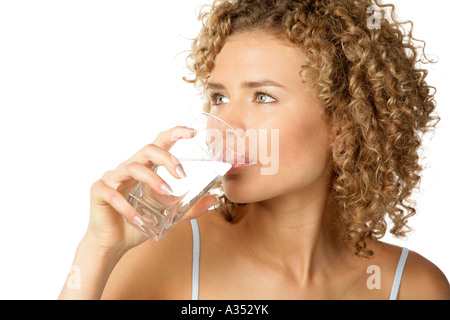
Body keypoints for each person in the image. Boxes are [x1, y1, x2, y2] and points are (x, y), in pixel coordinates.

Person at [59, 0, 450, 300]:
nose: (225, 124)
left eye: (262, 96)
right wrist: (97, 251)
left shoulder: (411, 286)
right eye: (218, 97)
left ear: (346, 125)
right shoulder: (167, 257)